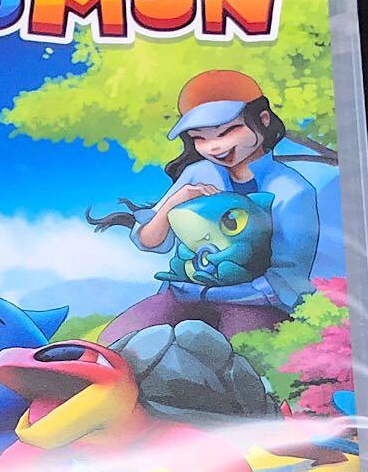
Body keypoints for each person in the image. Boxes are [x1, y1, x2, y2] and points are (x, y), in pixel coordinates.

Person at [90, 69, 321, 342]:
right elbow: (149, 241)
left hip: (257, 302)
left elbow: (287, 278)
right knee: (118, 341)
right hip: (183, 293)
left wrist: (217, 293)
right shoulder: (199, 173)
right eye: (200, 137)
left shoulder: (291, 189)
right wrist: (175, 201)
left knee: (236, 353)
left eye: (228, 131)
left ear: (263, 120)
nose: (214, 147)